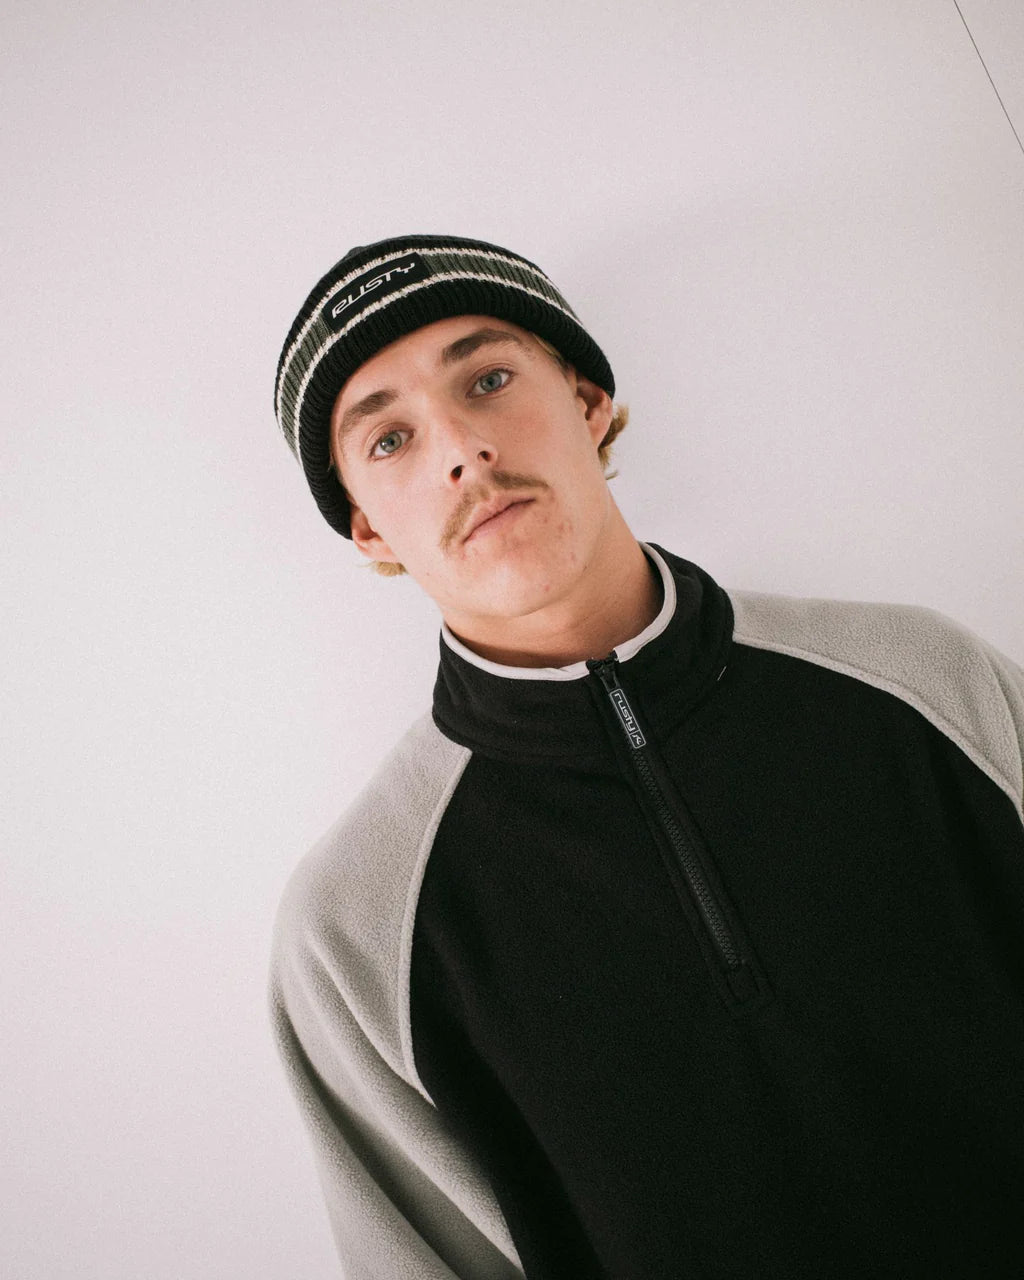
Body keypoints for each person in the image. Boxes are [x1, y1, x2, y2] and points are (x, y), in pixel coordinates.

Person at [269, 234, 1024, 1279]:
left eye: (487, 380)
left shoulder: (925, 681)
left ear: (588, 402)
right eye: (390, 438)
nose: (461, 450)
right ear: (367, 529)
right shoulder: (355, 925)